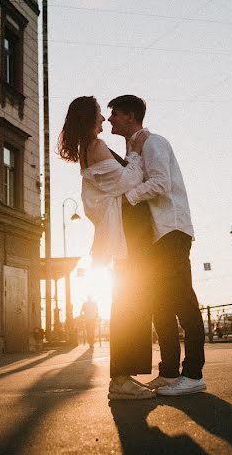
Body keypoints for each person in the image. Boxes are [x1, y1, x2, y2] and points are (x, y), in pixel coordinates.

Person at [107, 94, 206, 396]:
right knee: (161, 305)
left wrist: (128, 197)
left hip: (172, 230)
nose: (110, 120)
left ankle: (194, 374)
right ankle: (168, 373)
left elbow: (161, 183)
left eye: (115, 115)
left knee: (182, 300)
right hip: (156, 237)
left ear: (130, 116)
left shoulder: (154, 143)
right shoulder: (136, 147)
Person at [57, 96, 154, 400]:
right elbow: (127, 180)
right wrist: (136, 153)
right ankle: (121, 379)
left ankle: (124, 377)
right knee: (129, 305)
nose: (104, 120)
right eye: (100, 115)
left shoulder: (89, 151)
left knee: (128, 302)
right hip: (124, 237)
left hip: (119, 236)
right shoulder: (96, 147)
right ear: (89, 120)